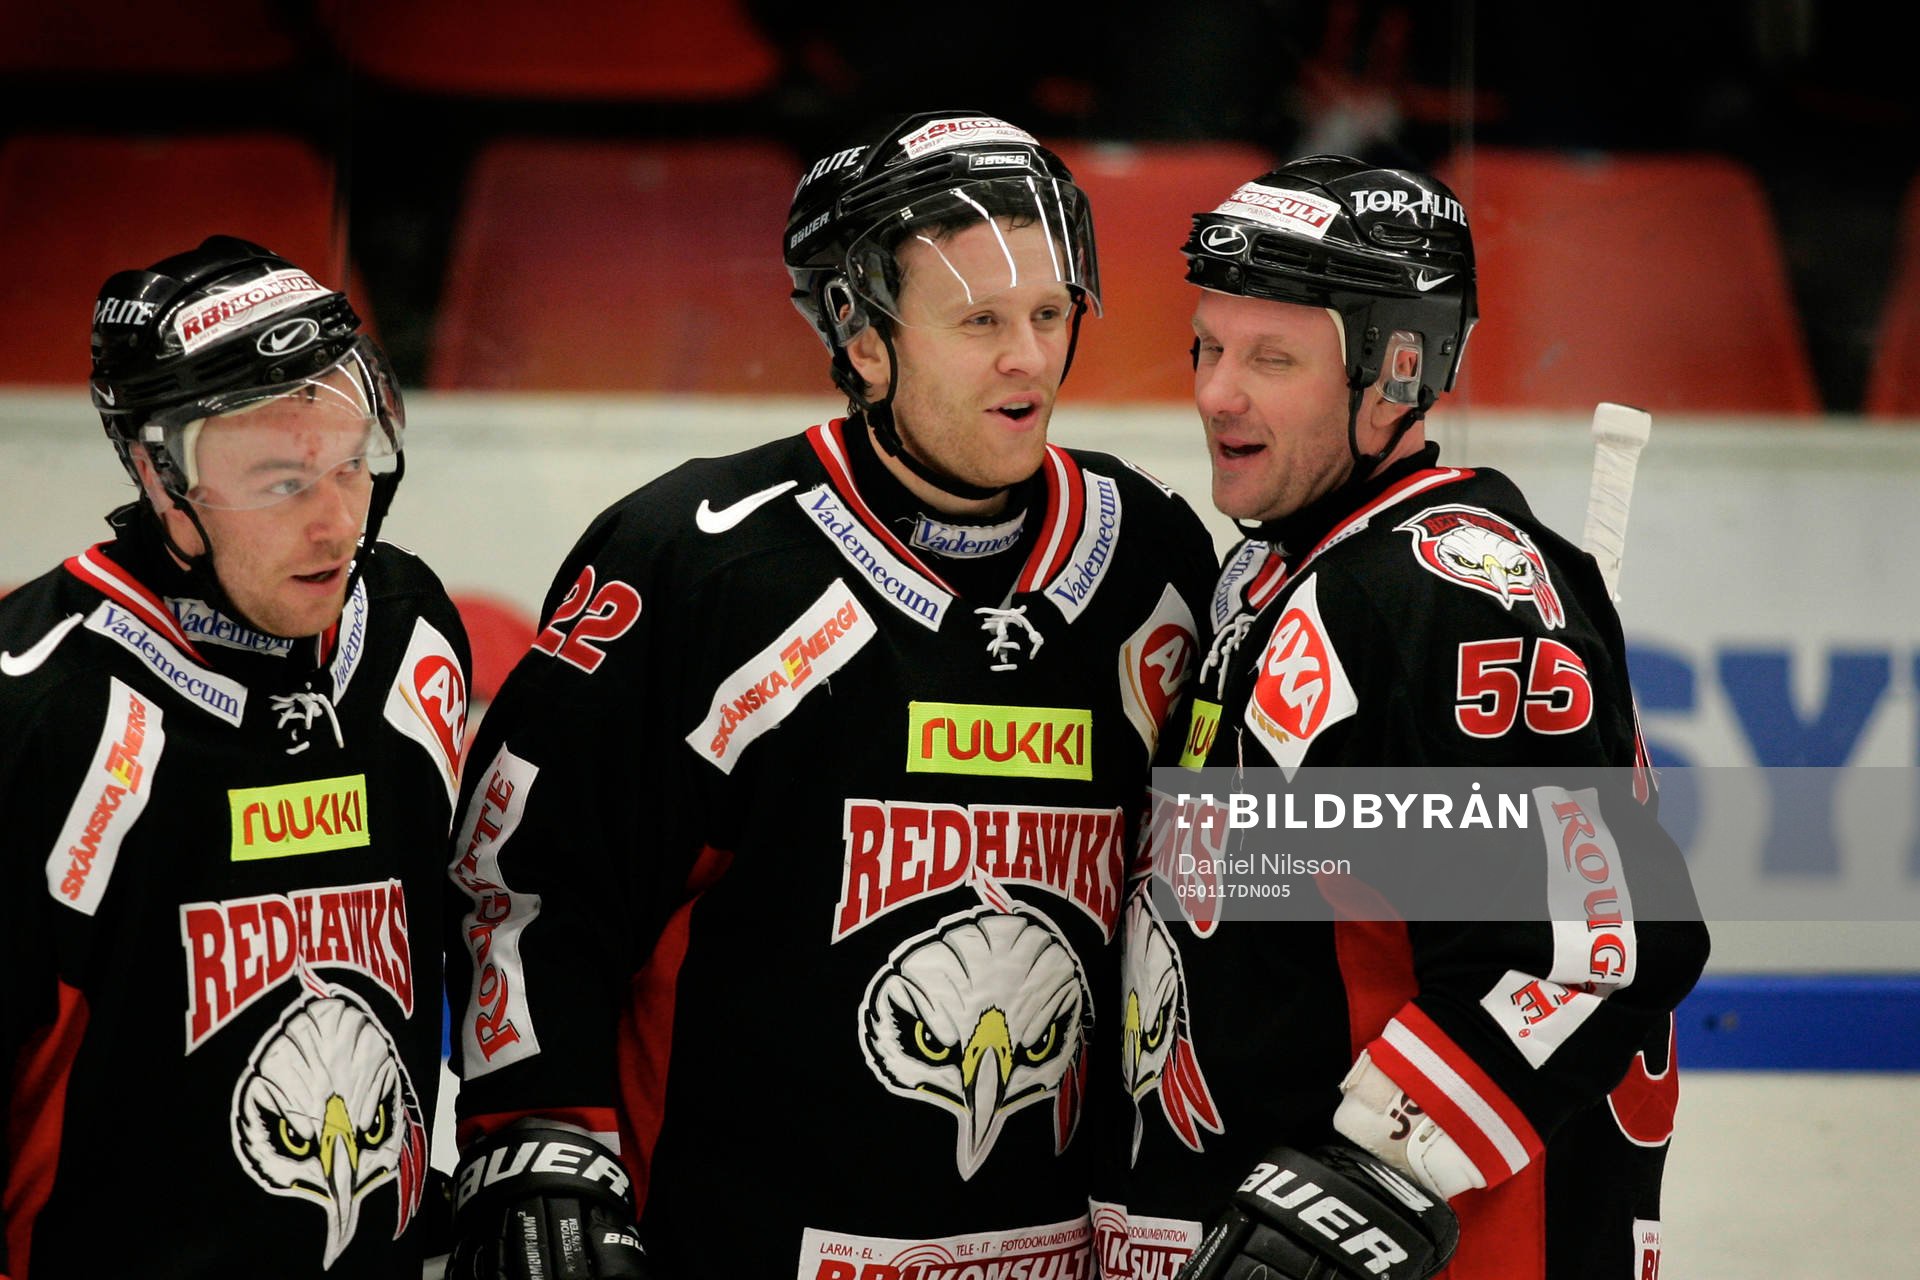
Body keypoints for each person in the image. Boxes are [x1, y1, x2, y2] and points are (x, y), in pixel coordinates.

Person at [442, 111, 1219, 1279]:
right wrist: (541, 1129)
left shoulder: (1152, 556)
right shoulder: (696, 561)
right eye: (980, 322)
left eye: (1050, 314)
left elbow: (1239, 868)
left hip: (1062, 1251)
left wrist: (1509, 870)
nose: (1028, 359)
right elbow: (529, 879)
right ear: (861, 335)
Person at [1096, 157, 1710, 1280]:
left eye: (1271, 358)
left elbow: (1597, 939)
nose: (1216, 393)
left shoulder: (1445, 591)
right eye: (1207, 347)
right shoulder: (1271, 578)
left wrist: (1359, 1187)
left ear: (1398, 373)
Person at [0, 236, 471, 1278]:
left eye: (349, 463)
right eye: (280, 482)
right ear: (158, 476)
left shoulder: (408, 631)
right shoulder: (42, 703)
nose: (336, 523)